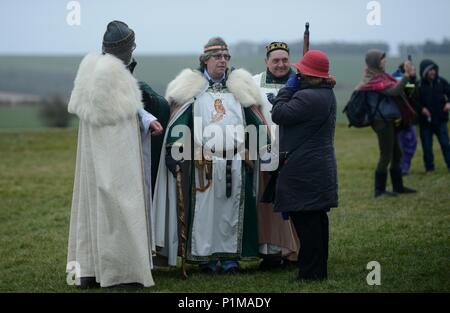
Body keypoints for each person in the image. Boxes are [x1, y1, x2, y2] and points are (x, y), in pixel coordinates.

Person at [152, 37, 271, 274]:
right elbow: (180, 121)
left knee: (231, 212)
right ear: (205, 60)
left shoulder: (239, 87)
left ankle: (230, 260)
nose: (223, 61)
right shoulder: (193, 88)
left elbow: (254, 118)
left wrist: (261, 145)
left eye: (226, 57)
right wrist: (173, 148)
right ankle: (205, 259)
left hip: (236, 160)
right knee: (206, 214)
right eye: (218, 57)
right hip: (203, 162)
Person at [66, 21, 163, 288]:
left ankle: (90, 269)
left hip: (100, 150)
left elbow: (131, 107)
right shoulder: (111, 75)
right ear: (125, 48)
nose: (133, 49)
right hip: (115, 151)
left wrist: (146, 119)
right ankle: (122, 272)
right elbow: (122, 111)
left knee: (96, 202)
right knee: (120, 201)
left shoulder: (93, 69)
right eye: (131, 45)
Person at [271, 50, 338, 281]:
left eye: (301, 71)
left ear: (309, 75)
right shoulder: (325, 94)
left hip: (304, 169)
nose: (297, 72)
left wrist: (287, 89)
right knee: (317, 221)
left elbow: (279, 113)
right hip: (317, 167)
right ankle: (318, 271)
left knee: (307, 224)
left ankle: (309, 274)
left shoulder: (308, 97)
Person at [253, 42, 299, 270]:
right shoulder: (253, 83)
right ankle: (270, 253)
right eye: (275, 60)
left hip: (295, 154)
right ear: (266, 62)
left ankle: (294, 253)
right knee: (268, 207)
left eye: (284, 60)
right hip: (265, 155)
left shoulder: (301, 81)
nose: (281, 65)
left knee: (295, 206)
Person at [356, 49, 417, 197]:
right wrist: (407, 75)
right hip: (381, 121)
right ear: (375, 62)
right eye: (382, 59)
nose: (385, 61)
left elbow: (396, 86)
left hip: (388, 119)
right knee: (386, 155)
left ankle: (398, 186)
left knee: (397, 153)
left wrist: (407, 77)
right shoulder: (373, 80)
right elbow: (394, 91)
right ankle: (379, 190)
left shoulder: (381, 77)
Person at [416, 59, 450, 173]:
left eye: (434, 69)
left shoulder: (442, 82)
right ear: (423, 72)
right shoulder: (417, 84)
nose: (433, 72)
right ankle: (429, 168)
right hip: (425, 122)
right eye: (429, 70)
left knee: (446, 144)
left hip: (441, 120)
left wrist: (448, 103)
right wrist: (421, 109)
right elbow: (411, 99)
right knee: (427, 147)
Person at [392, 62, 419, 176]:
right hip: (399, 118)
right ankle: (401, 168)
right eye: (411, 68)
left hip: (408, 118)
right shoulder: (397, 77)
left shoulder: (412, 80)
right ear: (405, 68)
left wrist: (411, 78)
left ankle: (404, 166)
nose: (413, 70)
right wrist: (409, 78)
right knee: (401, 144)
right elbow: (405, 92)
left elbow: (412, 96)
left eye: (414, 68)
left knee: (412, 143)